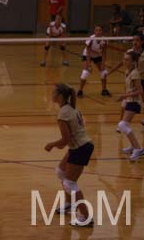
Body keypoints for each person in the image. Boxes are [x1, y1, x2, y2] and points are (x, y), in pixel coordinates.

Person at [45, 83, 94, 227]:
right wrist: (59, 144)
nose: (51, 95)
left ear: (59, 96)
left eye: (53, 92)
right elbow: (67, 140)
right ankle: (69, 204)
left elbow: (65, 140)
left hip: (81, 147)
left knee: (69, 183)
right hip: (79, 146)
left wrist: (52, 144)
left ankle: (85, 217)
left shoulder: (63, 113)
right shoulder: (70, 108)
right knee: (61, 172)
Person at [108, 34, 143, 130]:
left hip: (140, 79)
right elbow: (121, 62)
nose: (135, 42)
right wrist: (111, 71)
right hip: (131, 79)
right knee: (125, 102)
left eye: (137, 40)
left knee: (138, 100)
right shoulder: (129, 53)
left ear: (142, 42)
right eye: (133, 40)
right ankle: (121, 123)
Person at [116, 51, 144, 161]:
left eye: (127, 59)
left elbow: (140, 91)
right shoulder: (127, 71)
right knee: (125, 124)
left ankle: (138, 148)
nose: (124, 61)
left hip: (135, 102)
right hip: (129, 101)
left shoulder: (135, 74)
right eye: (124, 59)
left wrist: (124, 95)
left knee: (122, 124)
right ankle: (133, 146)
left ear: (133, 62)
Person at [77, 25, 111, 98]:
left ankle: (104, 90)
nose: (98, 32)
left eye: (100, 30)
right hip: (87, 55)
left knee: (103, 71)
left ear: (102, 32)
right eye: (96, 30)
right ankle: (80, 91)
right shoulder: (91, 39)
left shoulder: (104, 40)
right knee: (85, 72)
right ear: (94, 31)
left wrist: (103, 63)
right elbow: (88, 52)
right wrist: (89, 65)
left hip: (98, 55)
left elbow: (104, 52)